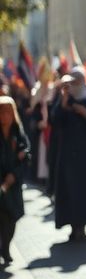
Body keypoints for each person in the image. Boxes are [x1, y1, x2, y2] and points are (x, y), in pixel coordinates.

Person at [50, 68, 86, 242]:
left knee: (85, 191)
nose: (73, 87)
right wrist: (63, 104)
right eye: (71, 83)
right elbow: (55, 121)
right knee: (70, 190)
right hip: (68, 156)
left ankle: (83, 226)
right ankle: (73, 227)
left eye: (76, 83)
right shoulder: (65, 102)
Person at [0, 96, 29, 266]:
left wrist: (15, 173)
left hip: (14, 183)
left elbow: (26, 152)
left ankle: (6, 247)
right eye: (2, 113)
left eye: (8, 113)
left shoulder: (18, 132)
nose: (5, 116)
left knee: (12, 216)